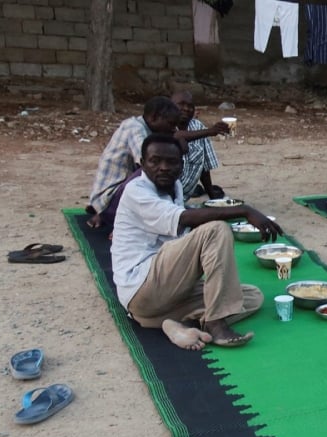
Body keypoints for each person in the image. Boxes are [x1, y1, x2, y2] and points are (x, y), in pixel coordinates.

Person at [112, 134, 282, 351]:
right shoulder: (136, 190)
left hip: (161, 299)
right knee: (215, 229)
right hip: (142, 289)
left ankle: (176, 324)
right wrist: (244, 210)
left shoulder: (176, 188)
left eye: (171, 162)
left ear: (181, 166)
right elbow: (182, 219)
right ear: (142, 164)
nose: (163, 167)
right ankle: (216, 324)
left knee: (251, 297)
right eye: (155, 161)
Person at [87, 96, 181, 226]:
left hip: (120, 190)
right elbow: (145, 165)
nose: (173, 130)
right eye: (171, 124)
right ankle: (106, 216)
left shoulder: (146, 129)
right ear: (154, 117)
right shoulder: (134, 128)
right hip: (109, 196)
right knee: (152, 170)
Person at [170, 90, 229, 200]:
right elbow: (176, 136)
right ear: (170, 106)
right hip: (165, 197)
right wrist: (209, 131)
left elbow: (204, 168)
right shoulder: (164, 125)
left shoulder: (197, 126)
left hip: (182, 199)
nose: (186, 109)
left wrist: (213, 198)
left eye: (190, 106)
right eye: (181, 104)